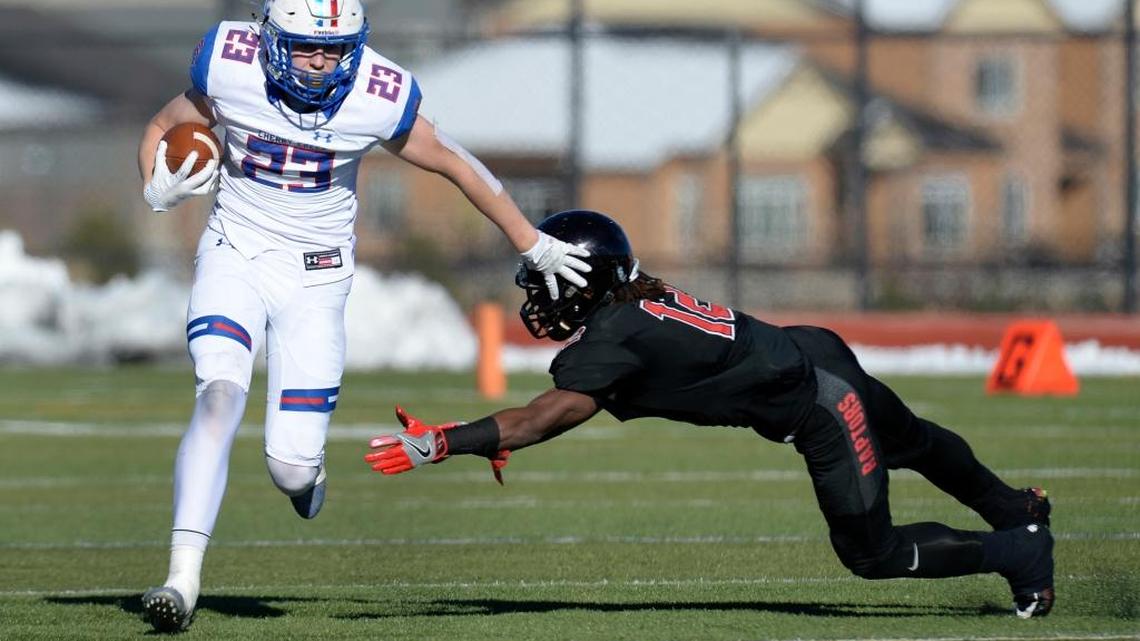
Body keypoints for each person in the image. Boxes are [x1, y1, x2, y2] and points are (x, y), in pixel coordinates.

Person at [137, 0, 592, 632]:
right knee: (218, 392)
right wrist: (155, 184)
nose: (323, 62)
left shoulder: (376, 93)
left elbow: (458, 162)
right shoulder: (229, 62)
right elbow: (164, 125)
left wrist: (531, 241)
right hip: (233, 252)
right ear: (269, 38)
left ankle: (304, 477)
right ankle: (181, 580)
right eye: (306, 48)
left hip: (316, 277)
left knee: (289, 467)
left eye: (335, 49)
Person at [366, 209, 1056, 620]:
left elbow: (540, 418)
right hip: (812, 347)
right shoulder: (634, 299)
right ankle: (1014, 503)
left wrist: (446, 441)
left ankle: (1019, 548)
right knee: (913, 440)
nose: (536, 299)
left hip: (819, 401)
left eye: (545, 284)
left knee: (871, 553)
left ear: (585, 282)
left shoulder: (617, 337)